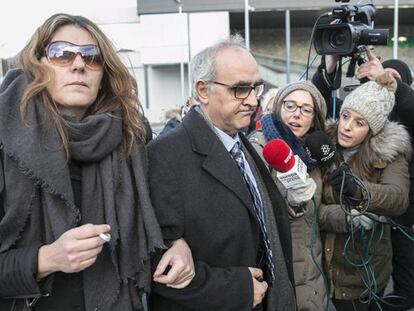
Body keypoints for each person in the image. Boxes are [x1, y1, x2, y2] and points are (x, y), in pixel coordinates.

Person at [0, 13, 194, 311]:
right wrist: (47, 259)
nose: (79, 64)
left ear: (104, 72)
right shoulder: (6, 138)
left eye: (92, 57)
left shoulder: (131, 136)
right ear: (37, 64)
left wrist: (177, 246)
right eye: (62, 54)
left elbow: (155, 220)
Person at [148, 35, 296, 310]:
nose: (253, 101)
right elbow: (159, 270)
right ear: (203, 91)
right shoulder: (163, 156)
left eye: (256, 88)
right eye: (240, 89)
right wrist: (237, 289)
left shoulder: (244, 144)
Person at [319, 72, 411, 311]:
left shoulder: (390, 153)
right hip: (322, 272)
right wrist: (346, 217)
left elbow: (398, 199)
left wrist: (357, 189)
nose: (346, 127)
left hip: (366, 275)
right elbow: (312, 211)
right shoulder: (322, 146)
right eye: (345, 116)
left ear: (373, 129)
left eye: (359, 123)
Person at [249, 81, 328, 311]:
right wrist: (293, 201)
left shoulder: (313, 154)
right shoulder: (259, 148)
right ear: (278, 108)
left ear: (314, 118)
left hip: (312, 273)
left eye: (305, 109)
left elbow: (317, 211)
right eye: (290, 105)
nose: (297, 114)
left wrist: (348, 215)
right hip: (278, 273)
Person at [357, 52, 414, 311]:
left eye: (393, 80)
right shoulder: (362, 121)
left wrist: (388, 80)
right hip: (369, 221)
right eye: (380, 80)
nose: (386, 85)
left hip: (406, 222)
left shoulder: (409, 115)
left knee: (406, 288)